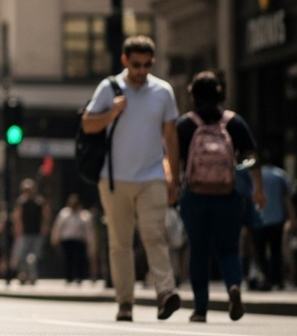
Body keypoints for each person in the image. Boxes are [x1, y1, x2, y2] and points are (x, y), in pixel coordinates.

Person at [82, 35, 183, 322]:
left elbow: (171, 136)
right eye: (136, 65)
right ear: (125, 61)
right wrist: (113, 111)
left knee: (155, 234)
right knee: (120, 243)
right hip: (114, 179)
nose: (141, 71)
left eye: (147, 65)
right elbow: (88, 124)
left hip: (152, 176)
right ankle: (125, 301)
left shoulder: (163, 91)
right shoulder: (109, 87)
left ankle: (165, 292)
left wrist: (173, 178)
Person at [175, 71, 265, 323]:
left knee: (199, 251)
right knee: (228, 248)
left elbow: (173, 160)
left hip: (194, 195)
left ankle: (200, 308)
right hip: (229, 193)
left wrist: (172, 186)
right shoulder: (234, 122)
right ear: (220, 93)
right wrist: (257, 188)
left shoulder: (185, 124)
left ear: (193, 94)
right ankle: (233, 287)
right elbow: (252, 157)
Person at [253, 153, 294, 290]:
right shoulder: (280, 175)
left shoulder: (255, 175)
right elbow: (287, 199)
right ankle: (278, 279)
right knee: (276, 251)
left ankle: (266, 278)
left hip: (260, 218)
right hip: (277, 219)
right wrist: (292, 218)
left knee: (261, 252)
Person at [11, 179, 51, 285]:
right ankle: (24, 274)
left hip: (36, 233)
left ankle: (32, 274)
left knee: (33, 255)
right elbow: (17, 217)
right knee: (23, 255)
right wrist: (18, 229)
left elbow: (46, 216)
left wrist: (45, 228)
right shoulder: (21, 202)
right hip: (25, 233)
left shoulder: (40, 202)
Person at [51, 193, 94, 284]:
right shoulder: (64, 213)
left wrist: (89, 241)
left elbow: (88, 229)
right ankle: (68, 277)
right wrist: (55, 238)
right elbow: (58, 227)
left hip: (79, 240)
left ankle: (80, 277)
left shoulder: (84, 215)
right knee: (68, 259)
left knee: (79, 259)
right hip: (67, 240)